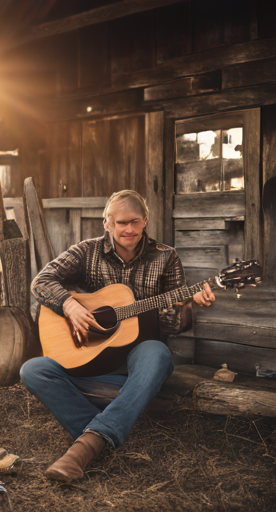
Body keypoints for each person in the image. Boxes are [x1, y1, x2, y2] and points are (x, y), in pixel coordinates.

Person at [20, 190, 215, 482]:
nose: (130, 230)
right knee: (33, 370)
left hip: (139, 367)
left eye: (136, 222)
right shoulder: (87, 251)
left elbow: (178, 327)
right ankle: (103, 435)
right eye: (122, 223)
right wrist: (70, 305)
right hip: (90, 362)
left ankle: (87, 445)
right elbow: (41, 281)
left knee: (158, 353)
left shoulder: (166, 257)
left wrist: (186, 304)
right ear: (107, 224)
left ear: (145, 220)